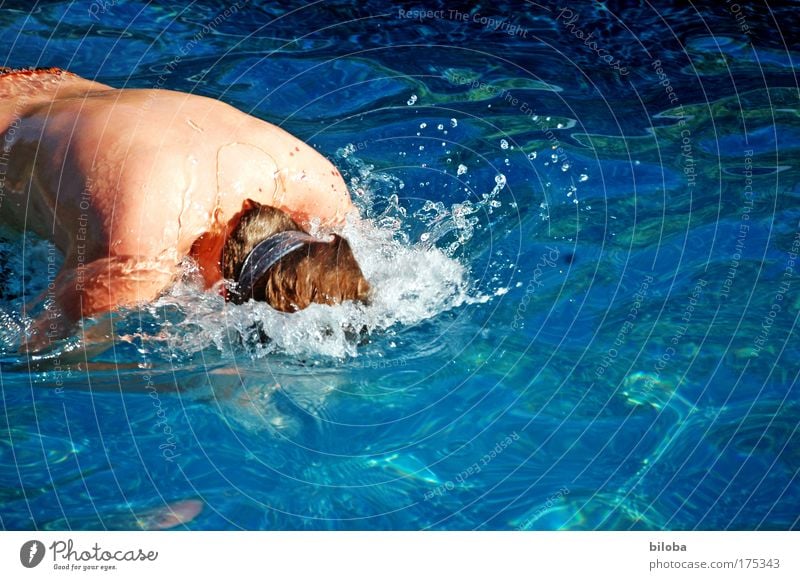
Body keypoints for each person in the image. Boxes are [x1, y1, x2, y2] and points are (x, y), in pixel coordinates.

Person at [0, 67, 370, 349]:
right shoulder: (136, 262)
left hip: (42, 79)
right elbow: (36, 356)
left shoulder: (322, 185)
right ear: (227, 296)